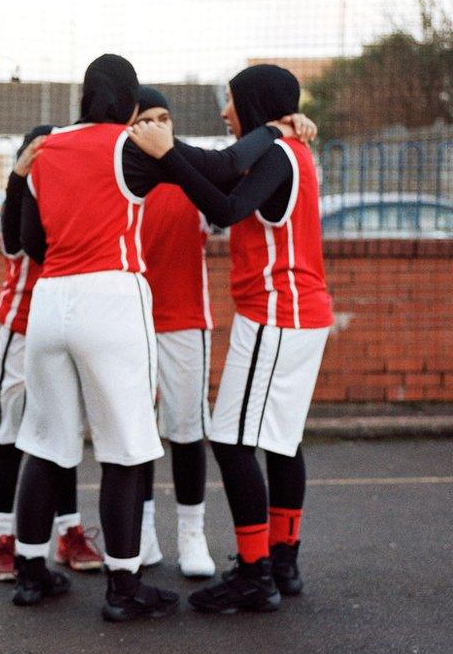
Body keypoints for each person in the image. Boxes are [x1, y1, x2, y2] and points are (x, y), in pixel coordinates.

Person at [11, 55, 304, 622]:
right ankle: (124, 587)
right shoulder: (126, 146)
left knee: (45, 443)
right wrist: (272, 128)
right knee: (126, 448)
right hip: (110, 296)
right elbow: (221, 172)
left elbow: (30, 241)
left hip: (49, 301)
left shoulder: (46, 148)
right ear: (126, 103)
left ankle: (30, 571)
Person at [130, 64, 332, 614]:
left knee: (232, 440)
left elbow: (224, 206)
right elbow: (218, 169)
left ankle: (255, 573)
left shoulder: (276, 155)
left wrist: (168, 154)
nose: (224, 111)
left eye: (230, 100)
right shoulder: (283, 149)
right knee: (281, 440)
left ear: (252, 101)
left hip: (276, 313)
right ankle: (282, 561)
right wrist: (168, 149)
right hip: (297, 313)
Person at [0, 125, 103, 581]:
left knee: (62, 432)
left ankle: (68, 530)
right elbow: (15, 239)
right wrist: (19, 174)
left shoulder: (76, 199)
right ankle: (3, 538)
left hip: (66, 326)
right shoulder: (23, 198)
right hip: (20, 327)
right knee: (10, 432)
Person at [133, 86, 216, 579]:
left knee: (187, 432)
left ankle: (192, 533)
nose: (161, 125)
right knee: (136, 436)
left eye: (167, 117)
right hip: (131, 324)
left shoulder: (192, 176)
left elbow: (241, 175)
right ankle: (142, 533)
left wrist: (293, 124)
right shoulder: (121, 179)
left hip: (185, 322)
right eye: (150, 118)